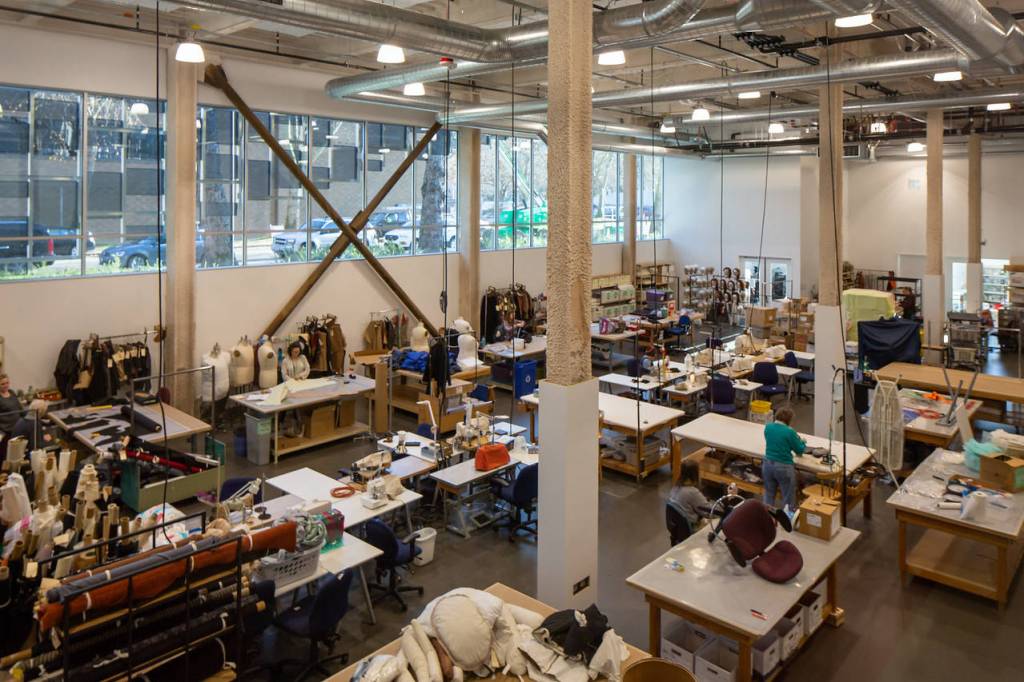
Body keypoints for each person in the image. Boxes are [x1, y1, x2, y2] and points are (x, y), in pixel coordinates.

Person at [762, 407, 805, 511]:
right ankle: (787, 522)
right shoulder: (789, 432)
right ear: (789, 420)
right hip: (783, 467)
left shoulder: (768, 427)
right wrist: (803, 442)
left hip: (767, 465)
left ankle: (766, 520)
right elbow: (799, 450)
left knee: (768, 494)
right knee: (788, 498)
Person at [668, 460, 711, 529]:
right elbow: (709, 512)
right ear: (694, 474)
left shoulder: (675, 487)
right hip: (691, 528)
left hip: (678, 528)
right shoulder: (692, 492)